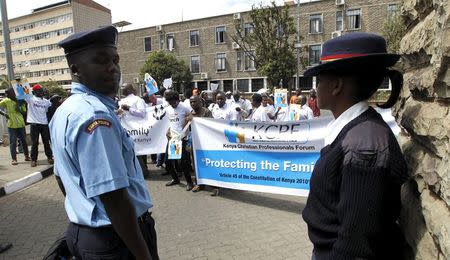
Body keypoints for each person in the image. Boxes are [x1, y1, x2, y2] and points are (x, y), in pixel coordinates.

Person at [50, 26, 158, 259]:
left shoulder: (65, 110)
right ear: (75, 69)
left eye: (115, 60)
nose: (113, 68)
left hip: (86, 234)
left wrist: (83, 207)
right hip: (115, 240)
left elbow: (61, 177)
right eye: (100, 61)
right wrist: (142, 255)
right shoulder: (96, 117)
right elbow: (115, 199)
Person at [301, 32, 409, 259]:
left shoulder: (365, 144)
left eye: (319, 79)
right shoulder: (353, 132)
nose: (315, 87)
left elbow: (356, 246)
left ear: (337, 85)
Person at [164, 89, 194, 191]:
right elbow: (171, 123)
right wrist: (168, 130)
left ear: (177, 100)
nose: (172, 105)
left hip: (183, 139)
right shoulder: (168, 109)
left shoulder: (184, 107)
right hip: (173, 139)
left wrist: (189, 118)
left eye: (174, 102)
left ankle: (189, 182)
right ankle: (175, 179)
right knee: (168, 161)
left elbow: (191, 115)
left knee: (182, 162)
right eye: (170, 103)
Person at [119, 83, 149, 176]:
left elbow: (142, 113)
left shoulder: (138, 100)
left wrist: (129, 109)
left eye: (123, 87)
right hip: (127, 130)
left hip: (138, 129)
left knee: (140, 151)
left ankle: (144, 170)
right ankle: (139, 170)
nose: (121, 88)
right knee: (132, 150)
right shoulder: (121, 101)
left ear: (129, 89)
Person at [0, 87, 30, 165]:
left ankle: (27, 156)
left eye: (8, 93)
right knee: (13, 142)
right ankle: (14, 159)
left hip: (20, 123)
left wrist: (21, 106)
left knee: (23, 141)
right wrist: (4, 114)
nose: (6, 94)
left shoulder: (19, 100)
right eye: (6, 93)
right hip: (11, 124)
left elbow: (24, 111)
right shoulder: (6, 101)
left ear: (13, 93)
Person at [25, 84, 53, 167]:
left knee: (46, 142)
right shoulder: (30, 99)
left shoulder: (46, 101)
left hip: (44, 124)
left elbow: (50, 109)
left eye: (41, 90)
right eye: (39, 90)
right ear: (34, 92)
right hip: (34, 124)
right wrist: (19, 81)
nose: (41, 92)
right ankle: (33, 160)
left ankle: (50, 157)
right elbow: (23, 91)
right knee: (34, 143)